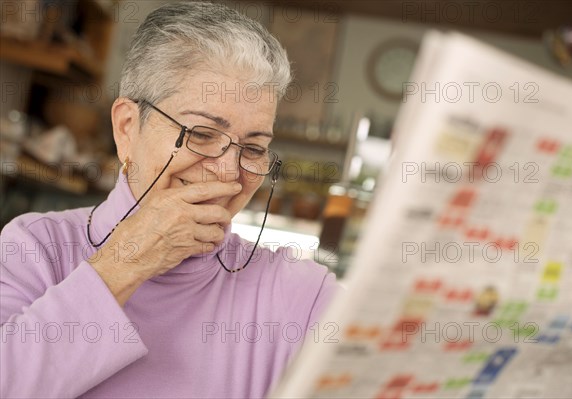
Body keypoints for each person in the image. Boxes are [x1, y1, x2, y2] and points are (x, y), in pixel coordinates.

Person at [0, 2, 337, 397]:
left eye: (253, 147)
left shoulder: (302, 294)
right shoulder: (33, 249)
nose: (229, 172)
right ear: (128, 128)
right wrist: (129, 259)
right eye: (201, 134)